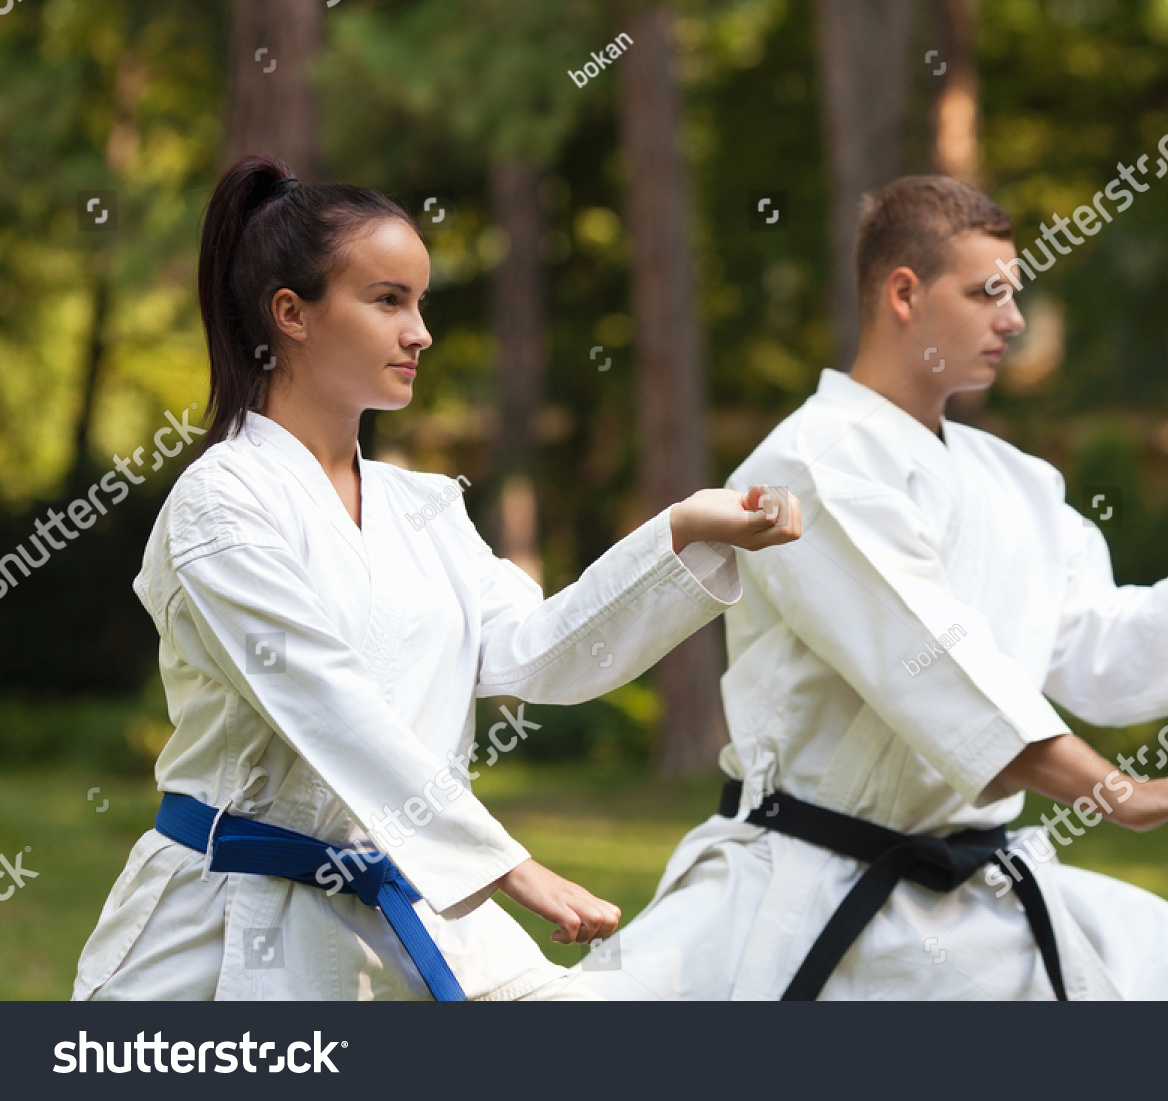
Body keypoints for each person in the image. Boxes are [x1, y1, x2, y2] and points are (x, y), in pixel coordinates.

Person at [572, 175, 1168, 1001]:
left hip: (982, 899)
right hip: (806, 897)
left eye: (1014, 294)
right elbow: (934, 668)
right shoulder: (808, 464)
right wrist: (1118, 793)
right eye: (988, 292)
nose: (1014, 320)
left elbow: (1104, 646)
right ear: (905, 293)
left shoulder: (1016, 482)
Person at [71, 155, 801, 1002]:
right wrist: (509, 866)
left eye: (420, 302)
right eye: (388, 300)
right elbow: (323, 698)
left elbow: (538, 654)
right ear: (291, 314)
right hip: (230, 934)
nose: (420, 331)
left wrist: (680, 531)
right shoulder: (221, 501)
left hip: (414, 912)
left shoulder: (421, 506)